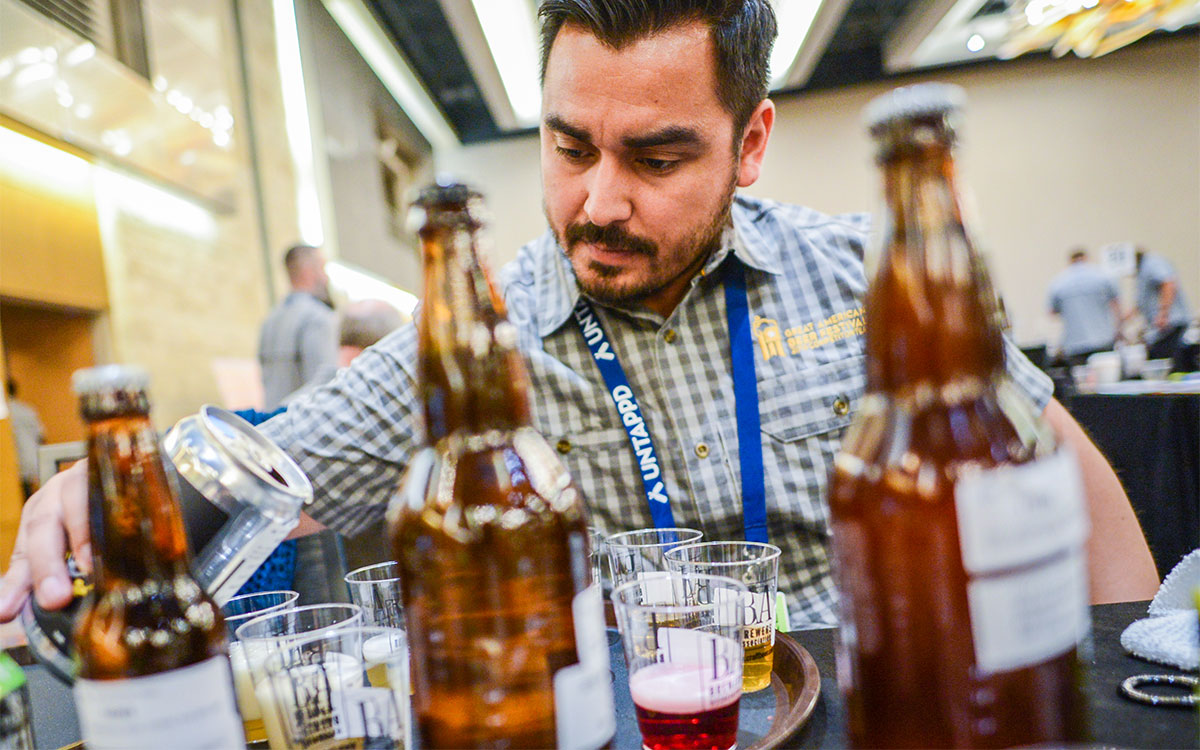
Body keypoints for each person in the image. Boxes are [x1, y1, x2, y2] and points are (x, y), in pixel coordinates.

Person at [0, 0, 1158, 628]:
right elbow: (273, 458)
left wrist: (1130, 672)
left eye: (657, 157)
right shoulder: (480, 338)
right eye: (569, 147)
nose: (598, 202)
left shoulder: (873, 280)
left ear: (751, 143)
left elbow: (1064, 470)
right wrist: (109, 483)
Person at [257, 244, 338, 409]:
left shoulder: (270, 320)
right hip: (301, 424)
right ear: (309, 272)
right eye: (322, 269)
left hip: (271, 423)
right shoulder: (318, 318)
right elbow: (323, 386)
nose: (326, 278)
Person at [1047, 248, 1121, 367]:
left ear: (1070, 261)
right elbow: (1116, 304)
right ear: (1086, 258)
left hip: (1075, 344)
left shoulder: (1058, 283)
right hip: (1103, 340)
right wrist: (1118, 329)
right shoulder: (1104, 277)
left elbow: (1052, 313)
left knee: (1081, 380)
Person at [1134, 248, 1192, 370]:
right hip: (1160, 327)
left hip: (1169, 324)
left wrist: (1163, 314)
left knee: (1168, 362)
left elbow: (1168, 283)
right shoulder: (1141, 272)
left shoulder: (1152, 263)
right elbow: (1140, 303)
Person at [5, 379, 43, 499]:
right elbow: (41, 436)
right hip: (32, 458)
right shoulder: (27, 410)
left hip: (16, 463)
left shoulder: (5, 413)